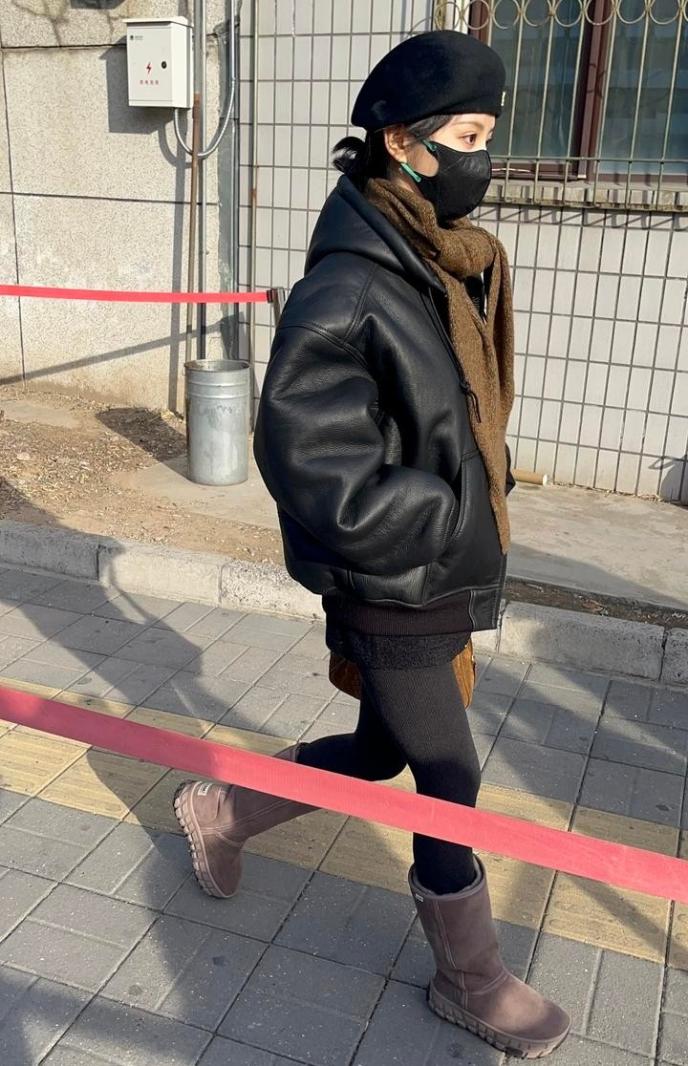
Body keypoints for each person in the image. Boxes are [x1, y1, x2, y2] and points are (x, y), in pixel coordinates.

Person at [174, 30, 570, 1058]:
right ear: (403, 141)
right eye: (468, 137)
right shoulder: (351, 283)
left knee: (383, 750)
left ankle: (223, 809)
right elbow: (307, 455)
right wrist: (440, 510)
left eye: (488, 135)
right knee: (448, 772)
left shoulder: (433, 259)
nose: (485, 158)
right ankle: (470, 978)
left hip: (427, 570)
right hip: (394, 574)